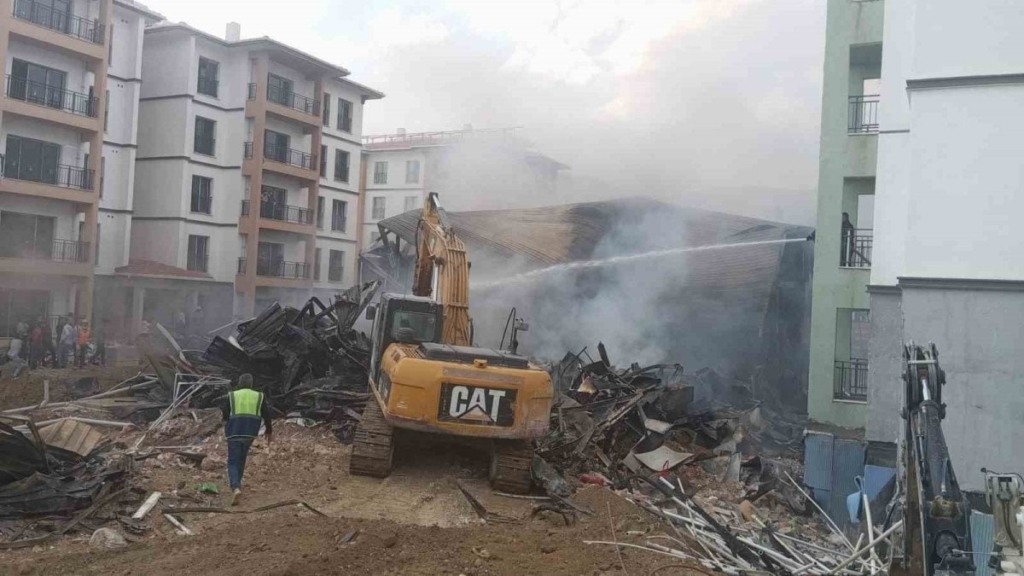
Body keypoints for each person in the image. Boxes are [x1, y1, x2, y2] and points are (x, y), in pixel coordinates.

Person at [217, 374, 273, 506]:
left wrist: (225, 421)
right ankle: (238, 483)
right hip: (250, 432)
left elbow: (225, 412)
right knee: (242, 458)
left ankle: (235, 487)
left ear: (240, 382)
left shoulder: (232, 395)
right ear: (251, 383)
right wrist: (269, 430)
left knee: (232, 461)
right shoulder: (259, 396)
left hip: (234, 431)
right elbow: (267, 413)